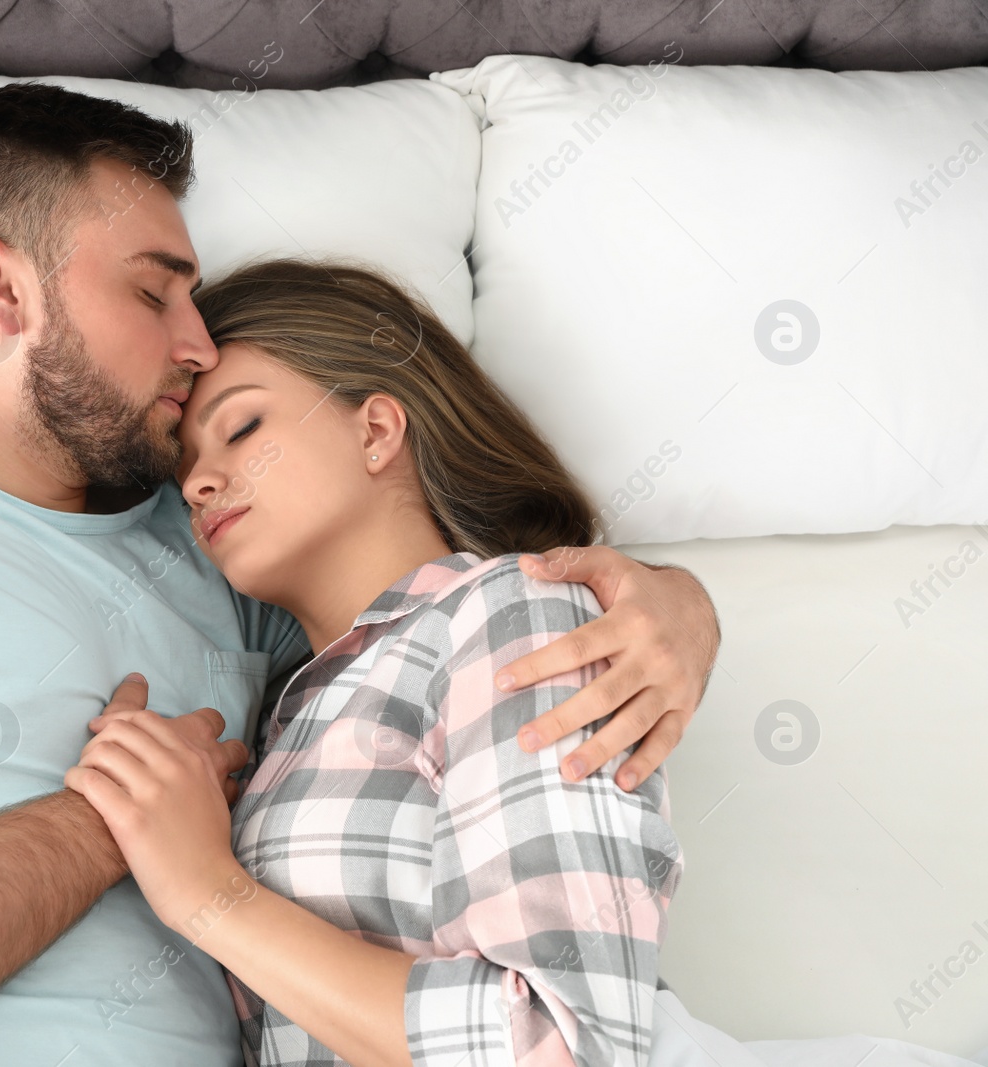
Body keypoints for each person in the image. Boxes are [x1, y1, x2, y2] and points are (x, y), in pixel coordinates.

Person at [0, 83, 719, 1067]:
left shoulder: (217, 555)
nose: (196, 342)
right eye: (156, 295)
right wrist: (109, 827)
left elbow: (419, 612)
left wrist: (673, 602)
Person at [65, 258, 982, 1067]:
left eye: (242, 427)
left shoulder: (510, 615)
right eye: (184, 461)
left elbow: (558, 1044)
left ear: (378, 429)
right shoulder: (297, 708)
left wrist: (209, 894)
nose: (198, 481)